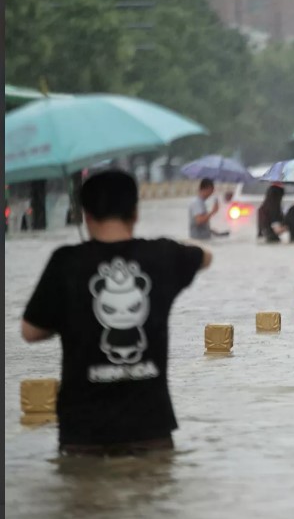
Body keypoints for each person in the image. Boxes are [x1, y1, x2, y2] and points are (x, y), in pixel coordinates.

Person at [20, 170, 212, 456]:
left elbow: (30, 332)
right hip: (151, 431)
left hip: (83, 434)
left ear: (85, 214)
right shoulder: (162, 256)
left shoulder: (65, 262)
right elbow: (206, 256)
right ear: (135, 211)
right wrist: (169, 246)